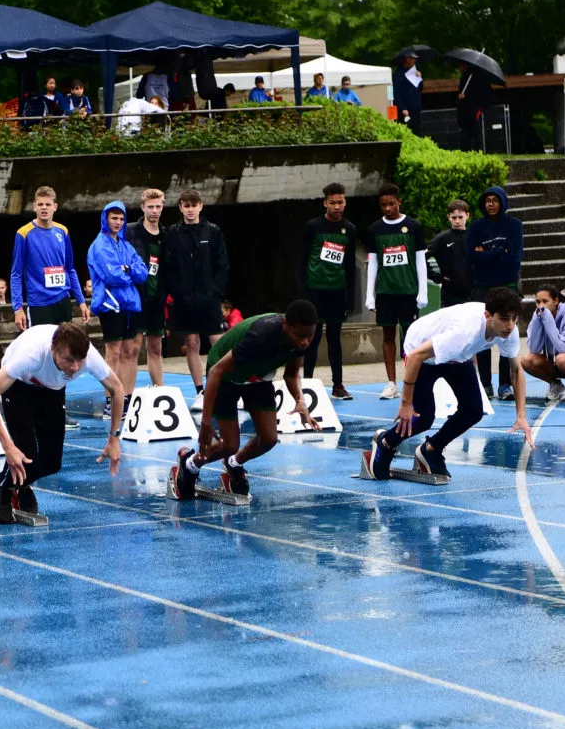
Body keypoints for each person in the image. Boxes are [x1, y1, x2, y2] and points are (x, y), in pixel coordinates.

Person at [367, 290, 529, 483]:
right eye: (504, 319)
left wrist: (521, 416)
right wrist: (406, 403)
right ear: (488, 315)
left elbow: (516, 371)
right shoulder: (464, 333)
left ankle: (430, 449)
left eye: (514, 319)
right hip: (423, 355)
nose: (510, 325)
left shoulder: (508, 330)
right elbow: (416, 356)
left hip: (458, 357)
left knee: (473, 411)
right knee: (422, 418)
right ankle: (385, 442)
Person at [172, 301, 321, 499]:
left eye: (309, 336)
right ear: (285, 325)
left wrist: (300, 401)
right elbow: (216, 372)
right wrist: (206, 422)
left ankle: (233, 463)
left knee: (269, 439)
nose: (304, 342)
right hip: (226, 377)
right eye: (300, 336)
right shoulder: (261, 335)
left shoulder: (303, 337)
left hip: (257, 378)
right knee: (229, 444)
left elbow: (291, 374)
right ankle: (190, 462)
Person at [0, 321, 122, 524]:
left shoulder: (88, 357)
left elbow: (117, 389)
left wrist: (114, 438)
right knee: (25, 453)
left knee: (52, 463)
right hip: (20, 386)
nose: (75, 368)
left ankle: (20, 485)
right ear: (54, 350)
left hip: (52, 389)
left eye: (79, 361)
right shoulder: (30, 355)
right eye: (69, 360)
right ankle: (4, 487)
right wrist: (8, 447)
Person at [162, 189, 230, 407]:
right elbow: (168, 266)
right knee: (191, 343)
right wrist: (177, 292)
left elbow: (222, 264)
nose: (190, 210)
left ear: (201, 206)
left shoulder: (213, 231)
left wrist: (216, 292)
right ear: (180, 207)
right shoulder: (172, 233)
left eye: (194, 205)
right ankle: (200, 391)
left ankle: (224, 387)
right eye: (186, 206)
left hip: (209, 297)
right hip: (184, 300)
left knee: (218, 342)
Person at [363, 183, 429, 399]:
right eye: (383, 205)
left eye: (391, 203)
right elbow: (372, 263)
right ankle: (391, 383)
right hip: (385, 291)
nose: (388, 208)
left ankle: (414, 379)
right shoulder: (375, 229)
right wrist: (369, 295)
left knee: (412, 337)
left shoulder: (413, 226)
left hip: (409, 291)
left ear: (399, 201)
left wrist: (423, 291)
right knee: (388, 336)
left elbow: (421, 261)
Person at [87, 200, 148, 419]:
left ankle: (128, 398)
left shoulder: (126, 245)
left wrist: (128, 269)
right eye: (114, 218)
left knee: (130, 351)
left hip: (130, 304)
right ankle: (110, 400)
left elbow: (142, 272)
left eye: (121, 218)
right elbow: (112, 275)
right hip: (109, 303)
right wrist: (128, 272)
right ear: (106, 219)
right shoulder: (99, 245)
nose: (118, 222)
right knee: (113, 351)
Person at [298, 181, 358, 398]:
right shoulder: (313, 227)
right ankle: (307, 383)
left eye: (340, 202)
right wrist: (303, 293)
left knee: (334, 339)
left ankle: (338, 386)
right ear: (325, 203)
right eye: (333, 202)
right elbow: (302, 259)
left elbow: (350, 266)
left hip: (337, 292)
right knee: (311, 339)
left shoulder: (349, 229)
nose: (337, 206)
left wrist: (351, 298)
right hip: (315, 291)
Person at [466, 186, 523, 401]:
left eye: (495, 200)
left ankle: (505, 384)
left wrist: (487, 254)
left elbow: (514, 258)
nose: (491, 204)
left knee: (506, 333)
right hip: (483, 287)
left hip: (507, 285)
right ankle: (485, 384)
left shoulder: (515, 226)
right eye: (487, 200)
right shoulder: (476, 227)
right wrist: (500, 252)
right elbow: (472, 257)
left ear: (502, 202)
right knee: (484, 334)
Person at [11, 186, 87, 330]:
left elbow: (70, 269)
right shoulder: (23, 234)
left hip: (62, 300)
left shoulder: (63, 231)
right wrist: (18, 308)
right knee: (43, 349)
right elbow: (16, 273)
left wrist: (81, 300)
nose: (44, 208)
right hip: (39, 303)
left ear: (55, 207)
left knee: (65, 349)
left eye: (48, 204)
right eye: (40, 204)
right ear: (34, 207)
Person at [520, 285, 565, 401]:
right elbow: (534, 349)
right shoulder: (539, 315)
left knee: (562, 359)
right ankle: (556, 385)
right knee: (526, 360)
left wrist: (548, 320)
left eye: (545, 301)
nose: (541, 306)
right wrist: (537, 320)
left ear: (556, 301)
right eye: (538, 302)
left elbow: (562, 347)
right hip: (556, 362)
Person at [126, 188, 169, 387]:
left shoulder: (167, 234)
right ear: (143, 207)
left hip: (157, 298)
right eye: (150, 207)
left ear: (163, 207)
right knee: (133, 348)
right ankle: (127, 396)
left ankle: (160, 391)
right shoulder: (130, 231)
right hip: (135, 296)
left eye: (158, 206)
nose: (154, 210)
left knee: (156, 347)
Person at [427, 199, 473, 309]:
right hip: (450, 294)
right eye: (454, 217)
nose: (457, 221)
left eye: (460, 217)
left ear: (467, 215)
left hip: (474, 293)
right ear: (449, 217)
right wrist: (436, 276)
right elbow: (421, 257)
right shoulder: (441, 239)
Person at [456, 69, 491, 151]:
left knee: (476, 132)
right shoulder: (465, 77)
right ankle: (465, 151)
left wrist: (466, 96)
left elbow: (480, 94)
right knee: (465, 133)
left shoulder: (479, 77)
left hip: (475, 109)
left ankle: (478, 151)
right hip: (464, 110)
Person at [394, 55, 422, 127]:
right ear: (407, 59)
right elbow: (397, 92)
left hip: (416, 108)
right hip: (405, 109)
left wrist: (419, 77)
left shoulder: (414, 71)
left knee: (417, 130)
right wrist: (402, 108)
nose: (414, 61)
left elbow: (420, 88)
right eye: (413, 59)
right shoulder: (399, 73)